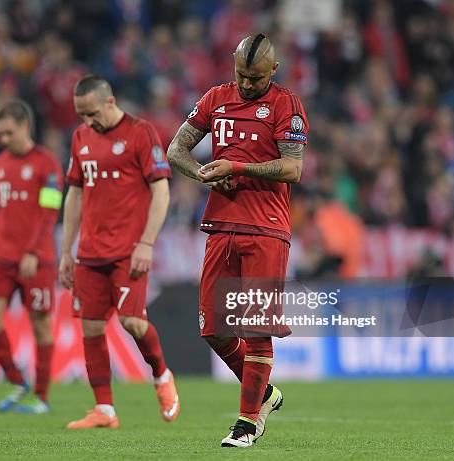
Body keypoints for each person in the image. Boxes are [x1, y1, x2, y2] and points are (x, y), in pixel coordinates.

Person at [167, 33, 308, 447]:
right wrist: (201, 173)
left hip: (266, 227)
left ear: (274, 70)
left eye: (256, 77)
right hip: (221, 225)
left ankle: (248, 422)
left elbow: (292, 168)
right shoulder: (215, 98)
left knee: (257, 327)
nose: (247, 84)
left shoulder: (286, 105)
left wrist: (238, 166)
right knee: (214, 329)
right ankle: (264, 392)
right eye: (242, 76)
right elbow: (177, 149)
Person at [60, 75, 179, 429]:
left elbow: (161, 192)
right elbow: (75, 194)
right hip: (91, 252)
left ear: (110, 102)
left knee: (132, 322)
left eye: (91, 113)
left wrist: (147, 242)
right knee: (92, 328)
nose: (87, 122)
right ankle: (105, 410)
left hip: (129, 250)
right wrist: (66, 250)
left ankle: (161, 376)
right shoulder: (81, 137)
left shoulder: (141, 133)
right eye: (80, 115)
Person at [0, 100, 64, 414]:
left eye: (8, 133)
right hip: (1, 256)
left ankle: (41, 397)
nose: (3, 140)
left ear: (25, 127)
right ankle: (17, 379)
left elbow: (50, 210)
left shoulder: (47, 163)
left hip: (35, 259)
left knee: (40, 325)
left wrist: (32, 251)